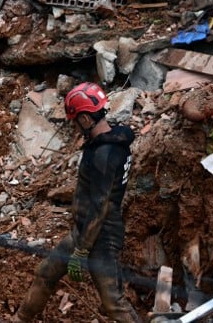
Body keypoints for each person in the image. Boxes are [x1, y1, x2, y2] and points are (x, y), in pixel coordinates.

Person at [16, 83, 142, 323]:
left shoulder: (105, 154)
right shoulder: (110, 142)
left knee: (114, 303)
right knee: (46, 273)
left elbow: (100, 205)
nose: (75, 127)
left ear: (84, 119)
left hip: (101, 236)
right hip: (85, 231)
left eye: (75, 121)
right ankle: (20, 319)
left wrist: (82, 250)